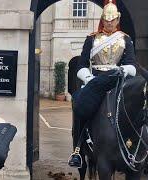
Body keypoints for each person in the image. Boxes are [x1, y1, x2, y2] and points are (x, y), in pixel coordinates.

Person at [68, 0, 137, 168]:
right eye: (106, 19)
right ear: (102, 19)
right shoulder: (91, 39)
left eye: (113, 19)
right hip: (95, 81)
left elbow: (132, 65)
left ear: (118, 19)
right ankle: (78, 150)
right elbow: (82, 65)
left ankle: (138, 147)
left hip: (117, 81)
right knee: (80, 105)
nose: (109, 23)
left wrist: (123, 70)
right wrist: (89, 79)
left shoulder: (125, 39)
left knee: (137, 107)